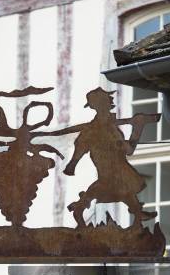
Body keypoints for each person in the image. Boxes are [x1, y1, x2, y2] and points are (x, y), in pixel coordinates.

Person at [63, 87, 157, 228]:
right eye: (101, 103)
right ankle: (80, 211)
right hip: (106, 169)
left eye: (106, 102)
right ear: (96, 106)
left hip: (119, 167)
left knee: (125, 192)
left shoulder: (112, 128)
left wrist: (137, 129)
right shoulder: (92, 129)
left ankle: (137, 213)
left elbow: (129, 150)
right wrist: (72, 164)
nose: (106, 105)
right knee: (110, 190)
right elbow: (81, 147)